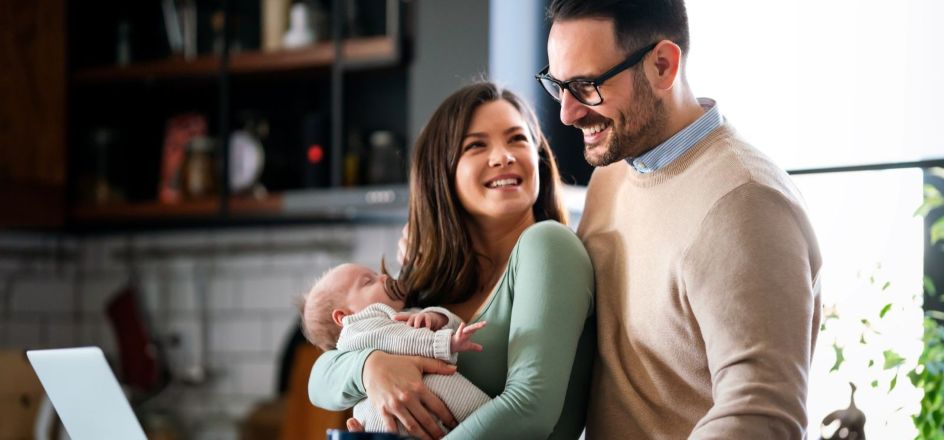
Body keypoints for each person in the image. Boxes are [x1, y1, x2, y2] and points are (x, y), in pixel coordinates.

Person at [536, 0, 822, 438]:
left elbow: (761, 415)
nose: (567, 113)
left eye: (587, 86)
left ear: (663, 66)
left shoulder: (745, 203)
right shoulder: (612, 175)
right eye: (559, 86)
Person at [308, 82, 596, 440]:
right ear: (441, 172)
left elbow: (530, 409)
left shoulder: (549, 246)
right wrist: (371, 367)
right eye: (477, 145)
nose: (503, 156)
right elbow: (320, 381)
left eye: (517, 139)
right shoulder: (426, 282)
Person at [298, 262, 492, 434]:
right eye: (368, 281)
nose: (384, 277)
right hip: (397, 420)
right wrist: (444, 343)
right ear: (344, 316)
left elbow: (455, 324)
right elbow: (401, 339)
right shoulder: (360, 328)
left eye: (376, 274)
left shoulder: (403, 315)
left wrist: (435, 317)